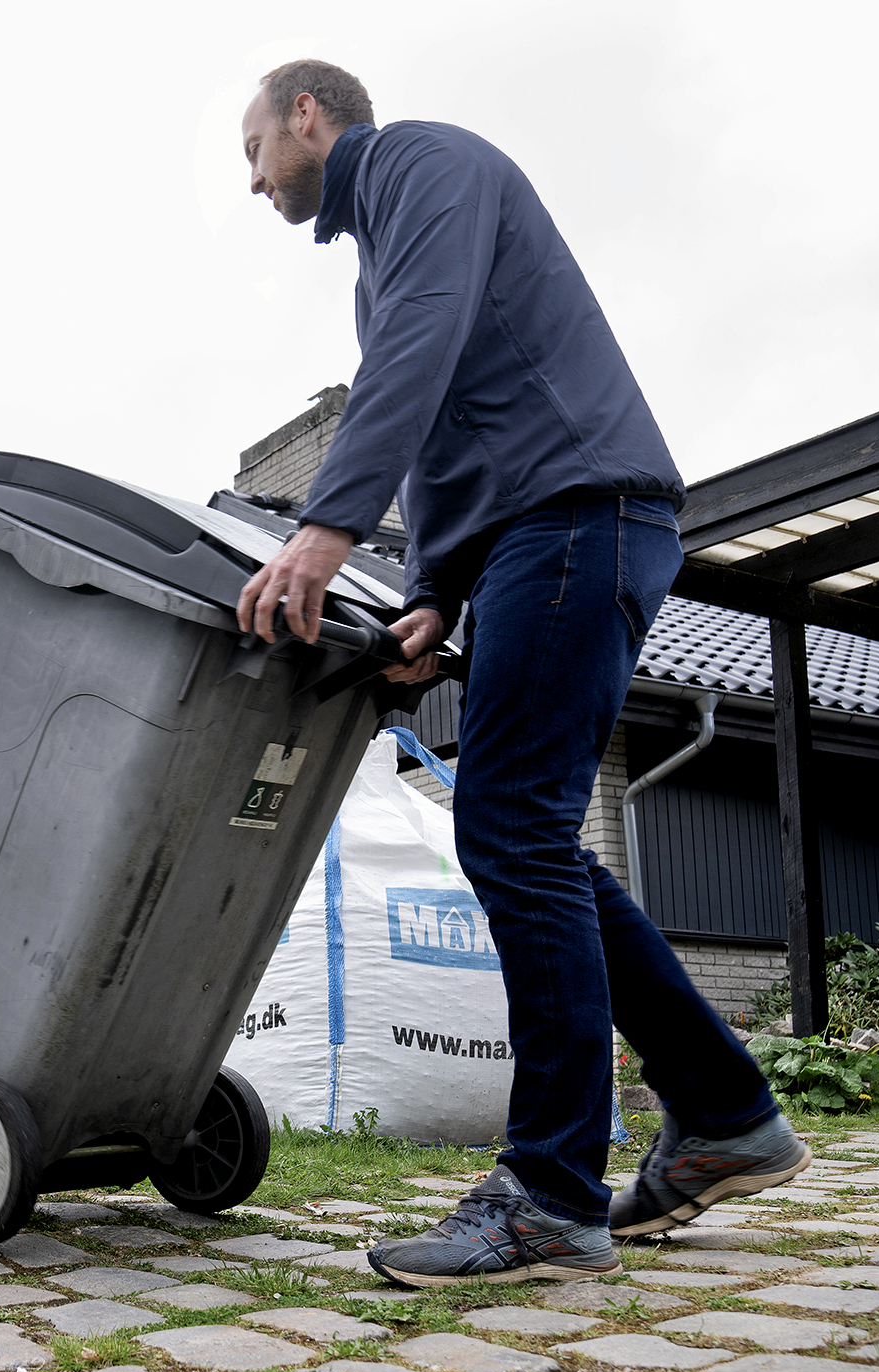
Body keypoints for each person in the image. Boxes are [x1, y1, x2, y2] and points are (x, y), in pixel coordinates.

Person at [234, 60, 810, 1287]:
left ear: (306, 113)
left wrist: (326, 524)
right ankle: (723, 1115)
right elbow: (444, 424)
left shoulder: (422, 163)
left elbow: (423, 352)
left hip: (575, 516)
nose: (251, 182)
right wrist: (432, 593)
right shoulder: (381, 244)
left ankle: (551, 1193)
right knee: (529, 836)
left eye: (253, 150)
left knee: (514, 834)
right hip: (537, 537)